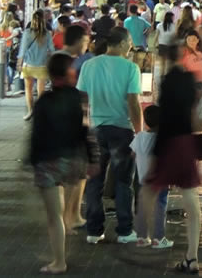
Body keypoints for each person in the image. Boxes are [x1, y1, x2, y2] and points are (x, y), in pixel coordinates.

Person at [29, 53, 100, 274]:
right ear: (70, 73)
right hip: (74, 160)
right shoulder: (80, 97)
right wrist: (93, 158)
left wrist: (32, 162)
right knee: (64, 207)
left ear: (50, 74)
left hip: (49, 163)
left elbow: (36, 137)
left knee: (54, 216)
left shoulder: (43, 102)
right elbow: (86, 130)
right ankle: (70, 224)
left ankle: (59, 261)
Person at [77, 27, 143, 244]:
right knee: (123, 182)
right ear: (123, 44)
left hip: (95, 130)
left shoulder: (89, 65)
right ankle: (125, 231)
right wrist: (140, 131)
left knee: (94, 182)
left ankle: (94, 231)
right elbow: (133, 102)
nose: (131, 46)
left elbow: (83, 101)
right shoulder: (131, 68)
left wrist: (82, 128)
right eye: (130, 42)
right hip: (121, 130)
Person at [143, 65, 202, 273]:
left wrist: (154, 158)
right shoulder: (189, 94)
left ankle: (143, 237)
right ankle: (192, 257)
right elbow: (195, 119)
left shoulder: (167, 96)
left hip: (169, 145)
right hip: (186, 144)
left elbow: (164, 127)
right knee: (192, 202)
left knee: (149, 190)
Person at [131, 104, 173, 250]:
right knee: (160, 207)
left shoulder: (140, 136)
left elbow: (132, 154)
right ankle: (158, 238)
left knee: (143, 207)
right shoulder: (163, 140)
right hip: (160, 180)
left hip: (143, 179)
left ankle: (142, 238)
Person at [19, 10, 55, 121]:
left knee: (28, 90)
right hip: (42, 65)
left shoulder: (27, 33)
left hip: (28, 65)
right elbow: (52, 50)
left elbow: (22, 50)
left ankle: (30, 111)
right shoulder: (47, 34)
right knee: (41, 91)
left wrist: (18, 64)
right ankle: (41, 113)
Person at [124, 4, 151, 72]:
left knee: (130, 67)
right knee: (139, 66)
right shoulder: (142, 20)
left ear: (129, 11)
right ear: (137, 11)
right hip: (141, 45)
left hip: (130, 46)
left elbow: (125, 32)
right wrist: (144, 32)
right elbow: (150, 27)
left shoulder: (127, 21)